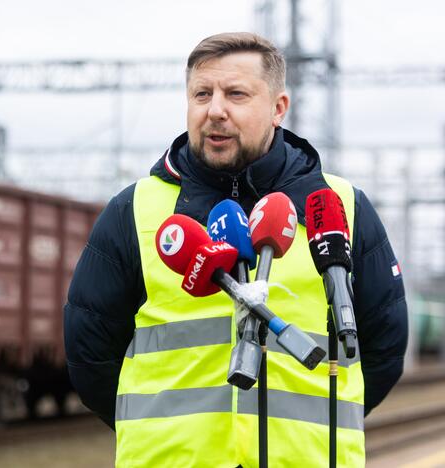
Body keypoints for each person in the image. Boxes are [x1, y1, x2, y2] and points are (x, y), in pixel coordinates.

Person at [64, 32, 407, 468]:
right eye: (201, 94)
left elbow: (383, 348)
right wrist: (157, 430)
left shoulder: (341, 208)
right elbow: (89, 353)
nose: (215, 110)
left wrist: (315, 431)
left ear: (278, 108)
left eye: (236, 94)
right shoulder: (133, 210)